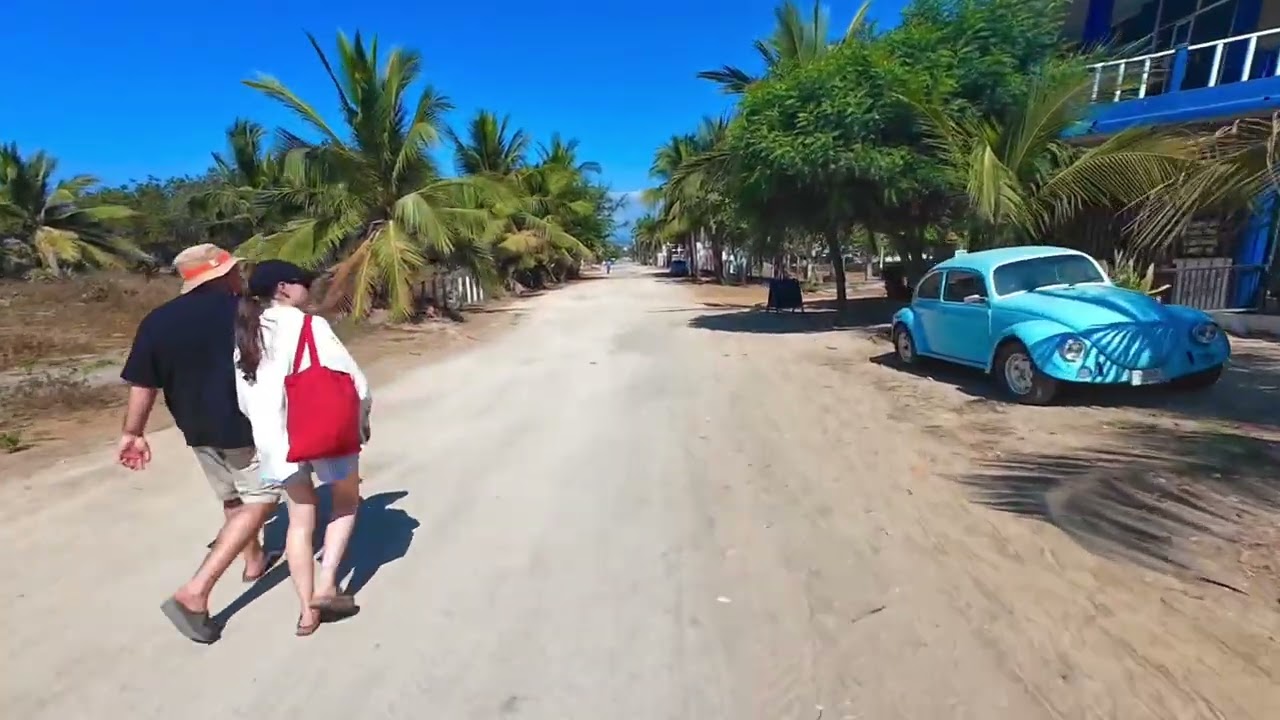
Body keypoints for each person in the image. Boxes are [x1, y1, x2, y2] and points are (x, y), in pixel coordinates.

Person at [118, 243, 283, 644]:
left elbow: (144, 383)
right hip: (244, 428)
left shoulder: (157, 322)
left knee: (231, 498)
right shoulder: (247, 311)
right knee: (264, 499)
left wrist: (132, 432)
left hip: (196, 429)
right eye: (234, 270)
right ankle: (195, 592)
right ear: (222, 275)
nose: (238, 276)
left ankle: (254, 559)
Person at [234, 260, 371, 636]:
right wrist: (362, 419)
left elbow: (245, 400)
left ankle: (305, 612)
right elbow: (354, 382)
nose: (308, 289)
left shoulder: (246, 333)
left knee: (299, 520)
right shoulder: (312, 325)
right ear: (284, 288)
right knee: (346, 501)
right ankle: (326, 586)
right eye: (303, 283)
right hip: (324, 431)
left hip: (277, 442)